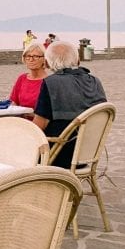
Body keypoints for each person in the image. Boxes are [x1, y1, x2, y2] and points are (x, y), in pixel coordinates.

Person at [32, 41, 107, 169]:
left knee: (17, 141)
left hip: (58, 153)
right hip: (87, 152)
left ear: (47, 63)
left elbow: (39, 124)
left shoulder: (51, 83)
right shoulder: (95, 81)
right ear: (77, 61)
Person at [8, 41, 49, 114]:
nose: (31, 60)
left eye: (36, 56)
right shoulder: (22, 78)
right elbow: (13, 102)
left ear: (44, 59)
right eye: (28, 56)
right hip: (21, 121)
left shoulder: (49, 81)